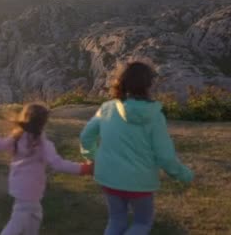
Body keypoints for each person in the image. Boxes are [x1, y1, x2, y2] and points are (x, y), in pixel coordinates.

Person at [80, 61, 194, 235]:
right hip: (140, 182)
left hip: (109, 178)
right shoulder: (154, 116)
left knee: (116, 220)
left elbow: (86, 136)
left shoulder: (107, 108)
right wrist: (184, 175)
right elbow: (164, 155)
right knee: (142, 223)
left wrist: (92, 158)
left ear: (120, 82)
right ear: (148, 84)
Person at [0, 103, 93, 235]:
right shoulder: (43, 144)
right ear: (43, 123)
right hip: (31, 189)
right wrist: (84, 169)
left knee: (35, 216)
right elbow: (58, 163)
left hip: (19, 186)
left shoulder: (17, 137)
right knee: (17, 222)